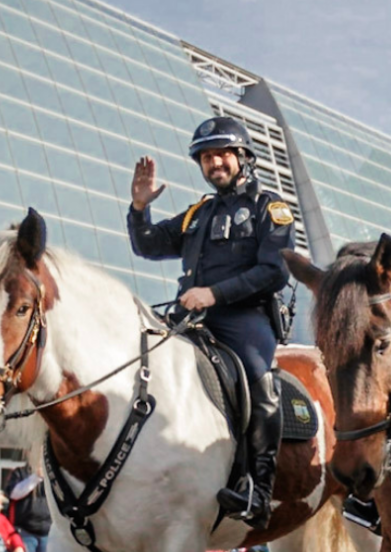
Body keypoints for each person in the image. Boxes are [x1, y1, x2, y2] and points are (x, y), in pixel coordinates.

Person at [128, 116, 296, 527]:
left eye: (222, 154)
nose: (214, 163)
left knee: (261, 385)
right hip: (192, 319)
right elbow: (146, 246)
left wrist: (214, 294)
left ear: (242, 157)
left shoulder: (269, 207)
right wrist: (139, 208)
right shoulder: (197, 214)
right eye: (206, 157)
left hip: (244, 319)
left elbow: (276, 271)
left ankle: (259, 491)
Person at [3, 468, 50, 552]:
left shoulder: (50, 475)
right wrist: (36, 477)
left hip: (47, 531)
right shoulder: (20, 473)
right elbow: (13, 494)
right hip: (25, 531)